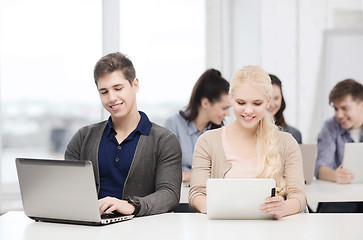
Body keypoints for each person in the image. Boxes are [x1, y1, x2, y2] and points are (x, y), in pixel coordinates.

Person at [65, 52, 182, 217]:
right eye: (104, 92)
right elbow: (68, 190)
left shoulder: (164, 140)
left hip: (139, 230)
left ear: (135, 85)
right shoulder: (83, 137)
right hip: (90, 229)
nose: (112, 98)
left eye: (118, 88)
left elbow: (169, 194)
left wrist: (131, 205)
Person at [189, 65, 306, 219]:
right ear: (230, 99)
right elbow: (196, 194)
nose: (248, 110)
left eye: (257, 103)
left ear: (268, 101)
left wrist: (283, 207)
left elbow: (299, 196)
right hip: (222, 229)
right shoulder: (207, 142)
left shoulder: (286, 142)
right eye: (241, 103)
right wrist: (223, 208)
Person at [164, 69, 230, 185]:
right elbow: (166, 172)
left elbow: (223, 173)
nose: (228, 113)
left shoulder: (221, 131)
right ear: (205, 103)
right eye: (224, 108)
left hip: (209, 195)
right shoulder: (173, 125)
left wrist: (189, 175)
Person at [315, 79, 363, 213]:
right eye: (336, 109)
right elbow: (320, 169)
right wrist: (336, 175)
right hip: (340, 196)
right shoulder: (330, 127)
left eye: (344, 108)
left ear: (361, 106)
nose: (338, 115)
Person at [268, 74, 302, 143]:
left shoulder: (294, 134)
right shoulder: (248, 133)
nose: (271, 104)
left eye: (276, 98)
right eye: (267, 98)